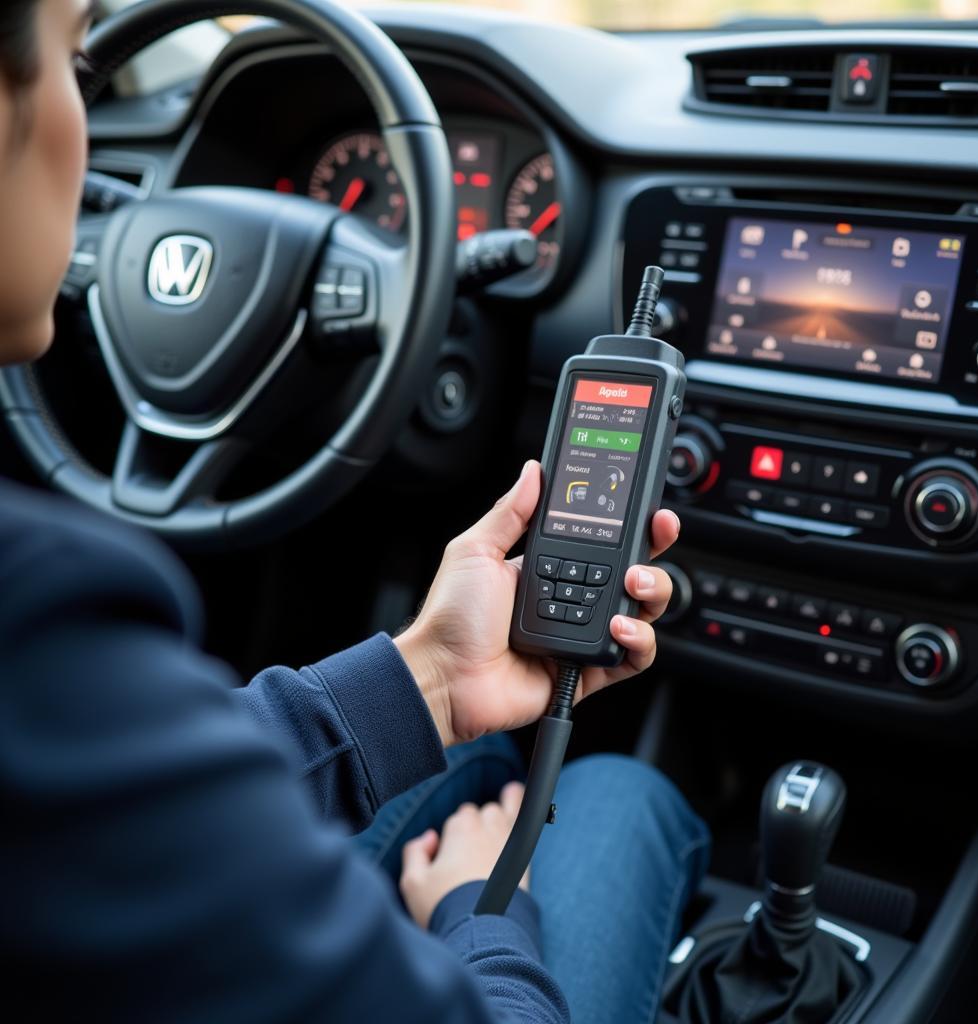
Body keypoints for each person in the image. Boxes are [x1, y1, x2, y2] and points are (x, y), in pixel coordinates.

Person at [0, 2, 710, 1021]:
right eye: (75, 59)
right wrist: (475, 921)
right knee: (618, 797)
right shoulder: (45, 626)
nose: (81, 101)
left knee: (472, 745)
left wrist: (427, 673)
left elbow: (100, 817)